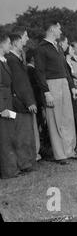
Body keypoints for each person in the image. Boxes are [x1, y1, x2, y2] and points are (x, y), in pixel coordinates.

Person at [34, 21, 77, 165]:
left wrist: (71, 86)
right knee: (55, 121)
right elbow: (39, 72)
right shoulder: (41, 48)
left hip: (64, 83)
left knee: (68, 118)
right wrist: (46, 92)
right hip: (51, 85)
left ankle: (69, 150)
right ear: (52, 29)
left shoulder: (57, 47)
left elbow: (65, 69)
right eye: (59, 29)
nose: (61, 31)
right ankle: (60, 154)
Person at [5, 33, 38, 172]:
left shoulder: (15, 59)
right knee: (23, 134)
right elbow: (20, 83)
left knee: (25, 133)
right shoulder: (12, 60)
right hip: (20, 103)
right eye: (21, 40)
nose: (23, 43)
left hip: (20, 102)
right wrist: (29, 101)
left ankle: (27, 162)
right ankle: (24, 164)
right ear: (14, 43)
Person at [0, 33, 23, 178]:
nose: (10, 45)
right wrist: (2, 109)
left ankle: (11, 169)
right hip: (3, 104)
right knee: (4, 138)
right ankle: (8, 171)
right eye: (8, 43)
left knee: (8, 137)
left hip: (7, 101)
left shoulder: (3, 61)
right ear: (1, 44)